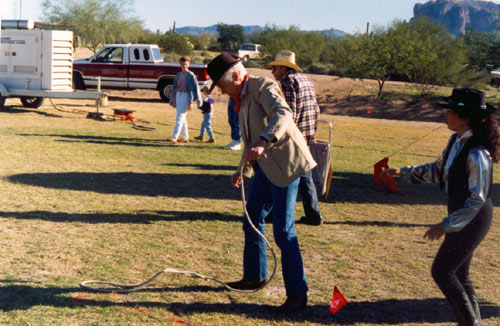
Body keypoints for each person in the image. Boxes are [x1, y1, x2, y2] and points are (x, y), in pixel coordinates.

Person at [206, 53, 317, 312]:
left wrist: (265, 140)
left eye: (222, 86)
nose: (222, 92)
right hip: (265, 167)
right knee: (252, 217)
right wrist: (241, 170)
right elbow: (249, 140)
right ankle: (255, 276)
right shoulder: (241, 98)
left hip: (288, 165)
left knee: (283, 230)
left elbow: (283, 114)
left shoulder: (263, 86)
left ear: (235, 76)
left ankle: (298, 295)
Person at [382, 88, 499, 326]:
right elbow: (438, 170)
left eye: (449, 111)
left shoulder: (477, 152)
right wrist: (403, 172)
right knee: (459, 274)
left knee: (443, 272)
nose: (444, 114)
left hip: (473, 218)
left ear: (464, 117)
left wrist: (446, 225)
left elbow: (477, 198)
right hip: (463, 215)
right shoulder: (456, 140)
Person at [268, 50, 323, 226]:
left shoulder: (287, 81)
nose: (272, 71)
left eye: (275, 67)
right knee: (305, 176)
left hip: (294, 136)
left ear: (283, 69)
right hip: (307, 134)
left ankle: (272, 212)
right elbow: (316, 110)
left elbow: (289, 112)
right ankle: (313, 215)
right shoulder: (306, 80)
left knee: (279, 175)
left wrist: (281, 137)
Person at [168, 56, 202, 143]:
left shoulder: (191, 75)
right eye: (182, 64)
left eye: (186, 64)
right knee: (182, 117)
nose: (184, 66)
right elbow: (175, 88)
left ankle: (174, 137)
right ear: (180, 65)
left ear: (189, 64)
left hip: (186, 96)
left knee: (180, 117)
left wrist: (192, 102)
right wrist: (173, 100)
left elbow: (195, 89)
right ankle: (185, 137)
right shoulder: (178, 75)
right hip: (178, 95)